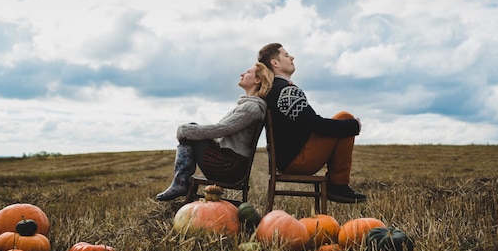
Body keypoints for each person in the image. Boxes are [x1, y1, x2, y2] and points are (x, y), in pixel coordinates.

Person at [258, 43, 366, 203]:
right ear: (275, 63)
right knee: (345, 118)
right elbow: (315, 124)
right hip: (297, 161)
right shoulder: (286, 91)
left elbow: (309, 124)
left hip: (286, 159)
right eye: (286, 55)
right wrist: (353, 126)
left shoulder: (274, 89)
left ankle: (338, 184)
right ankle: (338, 184)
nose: (292, 57)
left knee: (343, 122)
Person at [157, 62, 274, 201]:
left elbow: (221, 129)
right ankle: (180, 183)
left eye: (248, 72)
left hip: (228, 167)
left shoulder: (252, 108)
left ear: (257, 80)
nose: (242, 74)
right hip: (228, 161)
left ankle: (181, 184)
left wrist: (184, 130)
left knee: (189, 130)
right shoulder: (249, 106)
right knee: (191, 130)